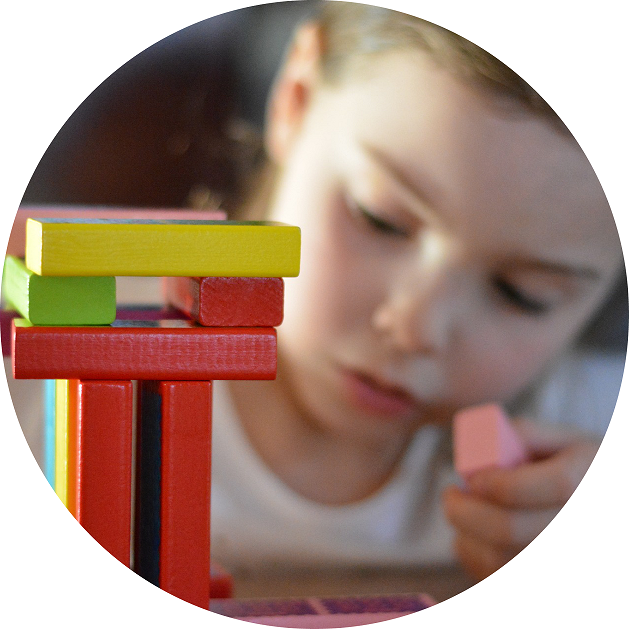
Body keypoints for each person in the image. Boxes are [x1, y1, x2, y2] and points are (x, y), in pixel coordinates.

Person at [209, 1, 626, 584]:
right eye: (379, 219)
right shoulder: (64, 364)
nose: (416, 328)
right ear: (296, 99)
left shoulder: (589, 442)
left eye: (521, 293)